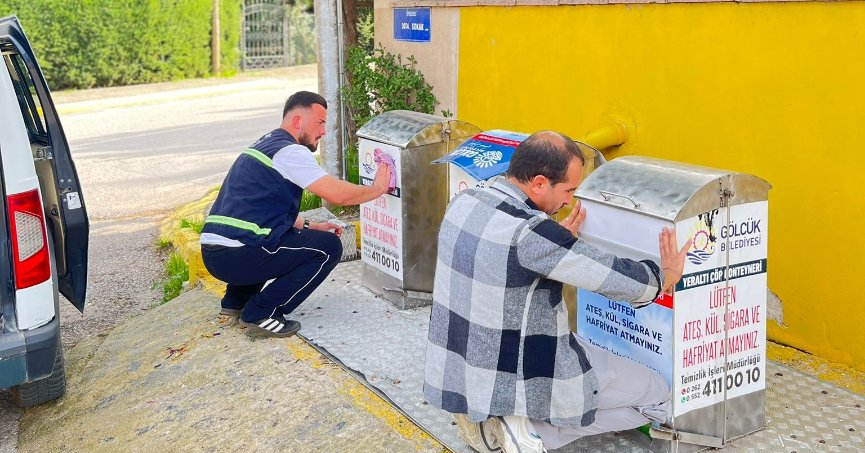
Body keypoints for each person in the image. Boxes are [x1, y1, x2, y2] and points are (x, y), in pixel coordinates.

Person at [424, 131, 691, 452]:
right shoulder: (532, 234)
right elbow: (613, 277)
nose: (569, 201)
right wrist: (665, 275)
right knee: (657, 393)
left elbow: (506, 257)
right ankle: (525, 424)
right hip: (520, 368)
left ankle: (496, 422)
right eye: (569, 190)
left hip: (466, 367)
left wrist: (554, 241)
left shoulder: (465, 202)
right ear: (538, 183)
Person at [200, 91, 391, 338]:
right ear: (298, 121)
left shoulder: (264, 144)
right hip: (239, 255)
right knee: (328, 248)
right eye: (320, 123)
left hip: (216, 253)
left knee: (277, 241)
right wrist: (378, 189)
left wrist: (311, 226)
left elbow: (266, 208)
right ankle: (262, 313)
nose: (323, 132)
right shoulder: (291, 152)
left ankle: (236, 301)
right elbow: (338, 195)